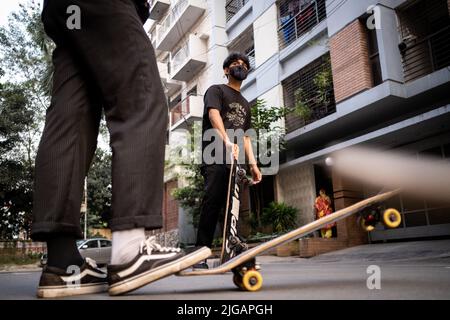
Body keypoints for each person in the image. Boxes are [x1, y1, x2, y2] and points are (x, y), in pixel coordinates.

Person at [32, 0, 210, 298]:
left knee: (71, 116)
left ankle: (62, 262)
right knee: (141, 98)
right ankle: (130, 252)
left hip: (67, 13)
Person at [193, 52, 263, 269]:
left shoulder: (246, 104)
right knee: (212, 202)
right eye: (235, 63)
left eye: (243, 64)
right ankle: (199, 256)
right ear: (226, 70)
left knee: (233, 206)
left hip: (235, 162)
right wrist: (225, 141)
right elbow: (214, 115)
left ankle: (232, 250)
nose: (239, 66)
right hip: (215, 154)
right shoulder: (216, 90)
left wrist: (253, 164)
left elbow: (247, 136)